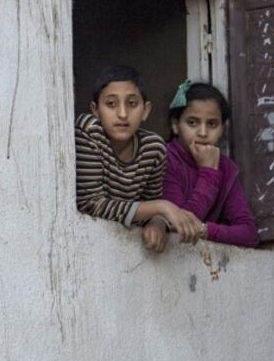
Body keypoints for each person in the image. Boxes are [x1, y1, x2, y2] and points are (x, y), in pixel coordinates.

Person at [75, 66, 201, 243]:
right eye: (111, 104)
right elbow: (91, 205)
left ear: (146, 110)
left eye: (132, 104)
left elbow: (149, 204)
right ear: (95, 110)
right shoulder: (89, 132)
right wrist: (162, 207)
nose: (122, 114)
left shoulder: (153, 148)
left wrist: (157, 222)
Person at [146, 81, 259, 251]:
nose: (203, 133)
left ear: (222, 129)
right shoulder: (164, 159)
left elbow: (249, 234)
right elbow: (179, 225)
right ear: (176, 125)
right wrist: (209, 173)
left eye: (212, 124)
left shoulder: (226, 167)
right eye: (192, 123)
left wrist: (205, 230)